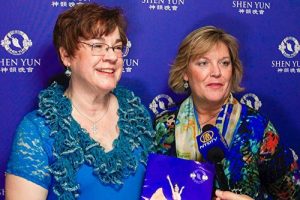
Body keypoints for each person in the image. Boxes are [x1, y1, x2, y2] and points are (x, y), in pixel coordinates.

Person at [5, 3, 155, 200]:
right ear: (66, 55)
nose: (111, 56)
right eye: (98, 46)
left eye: (117, 47)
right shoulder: (37, 130)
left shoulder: (138, 116)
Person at [154, 26, 300, 199]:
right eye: (203, 63)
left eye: (224, 63)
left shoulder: (257, 128)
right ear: (185, 72)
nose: (216, 72)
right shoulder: (163, 125)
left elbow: (293, 195)